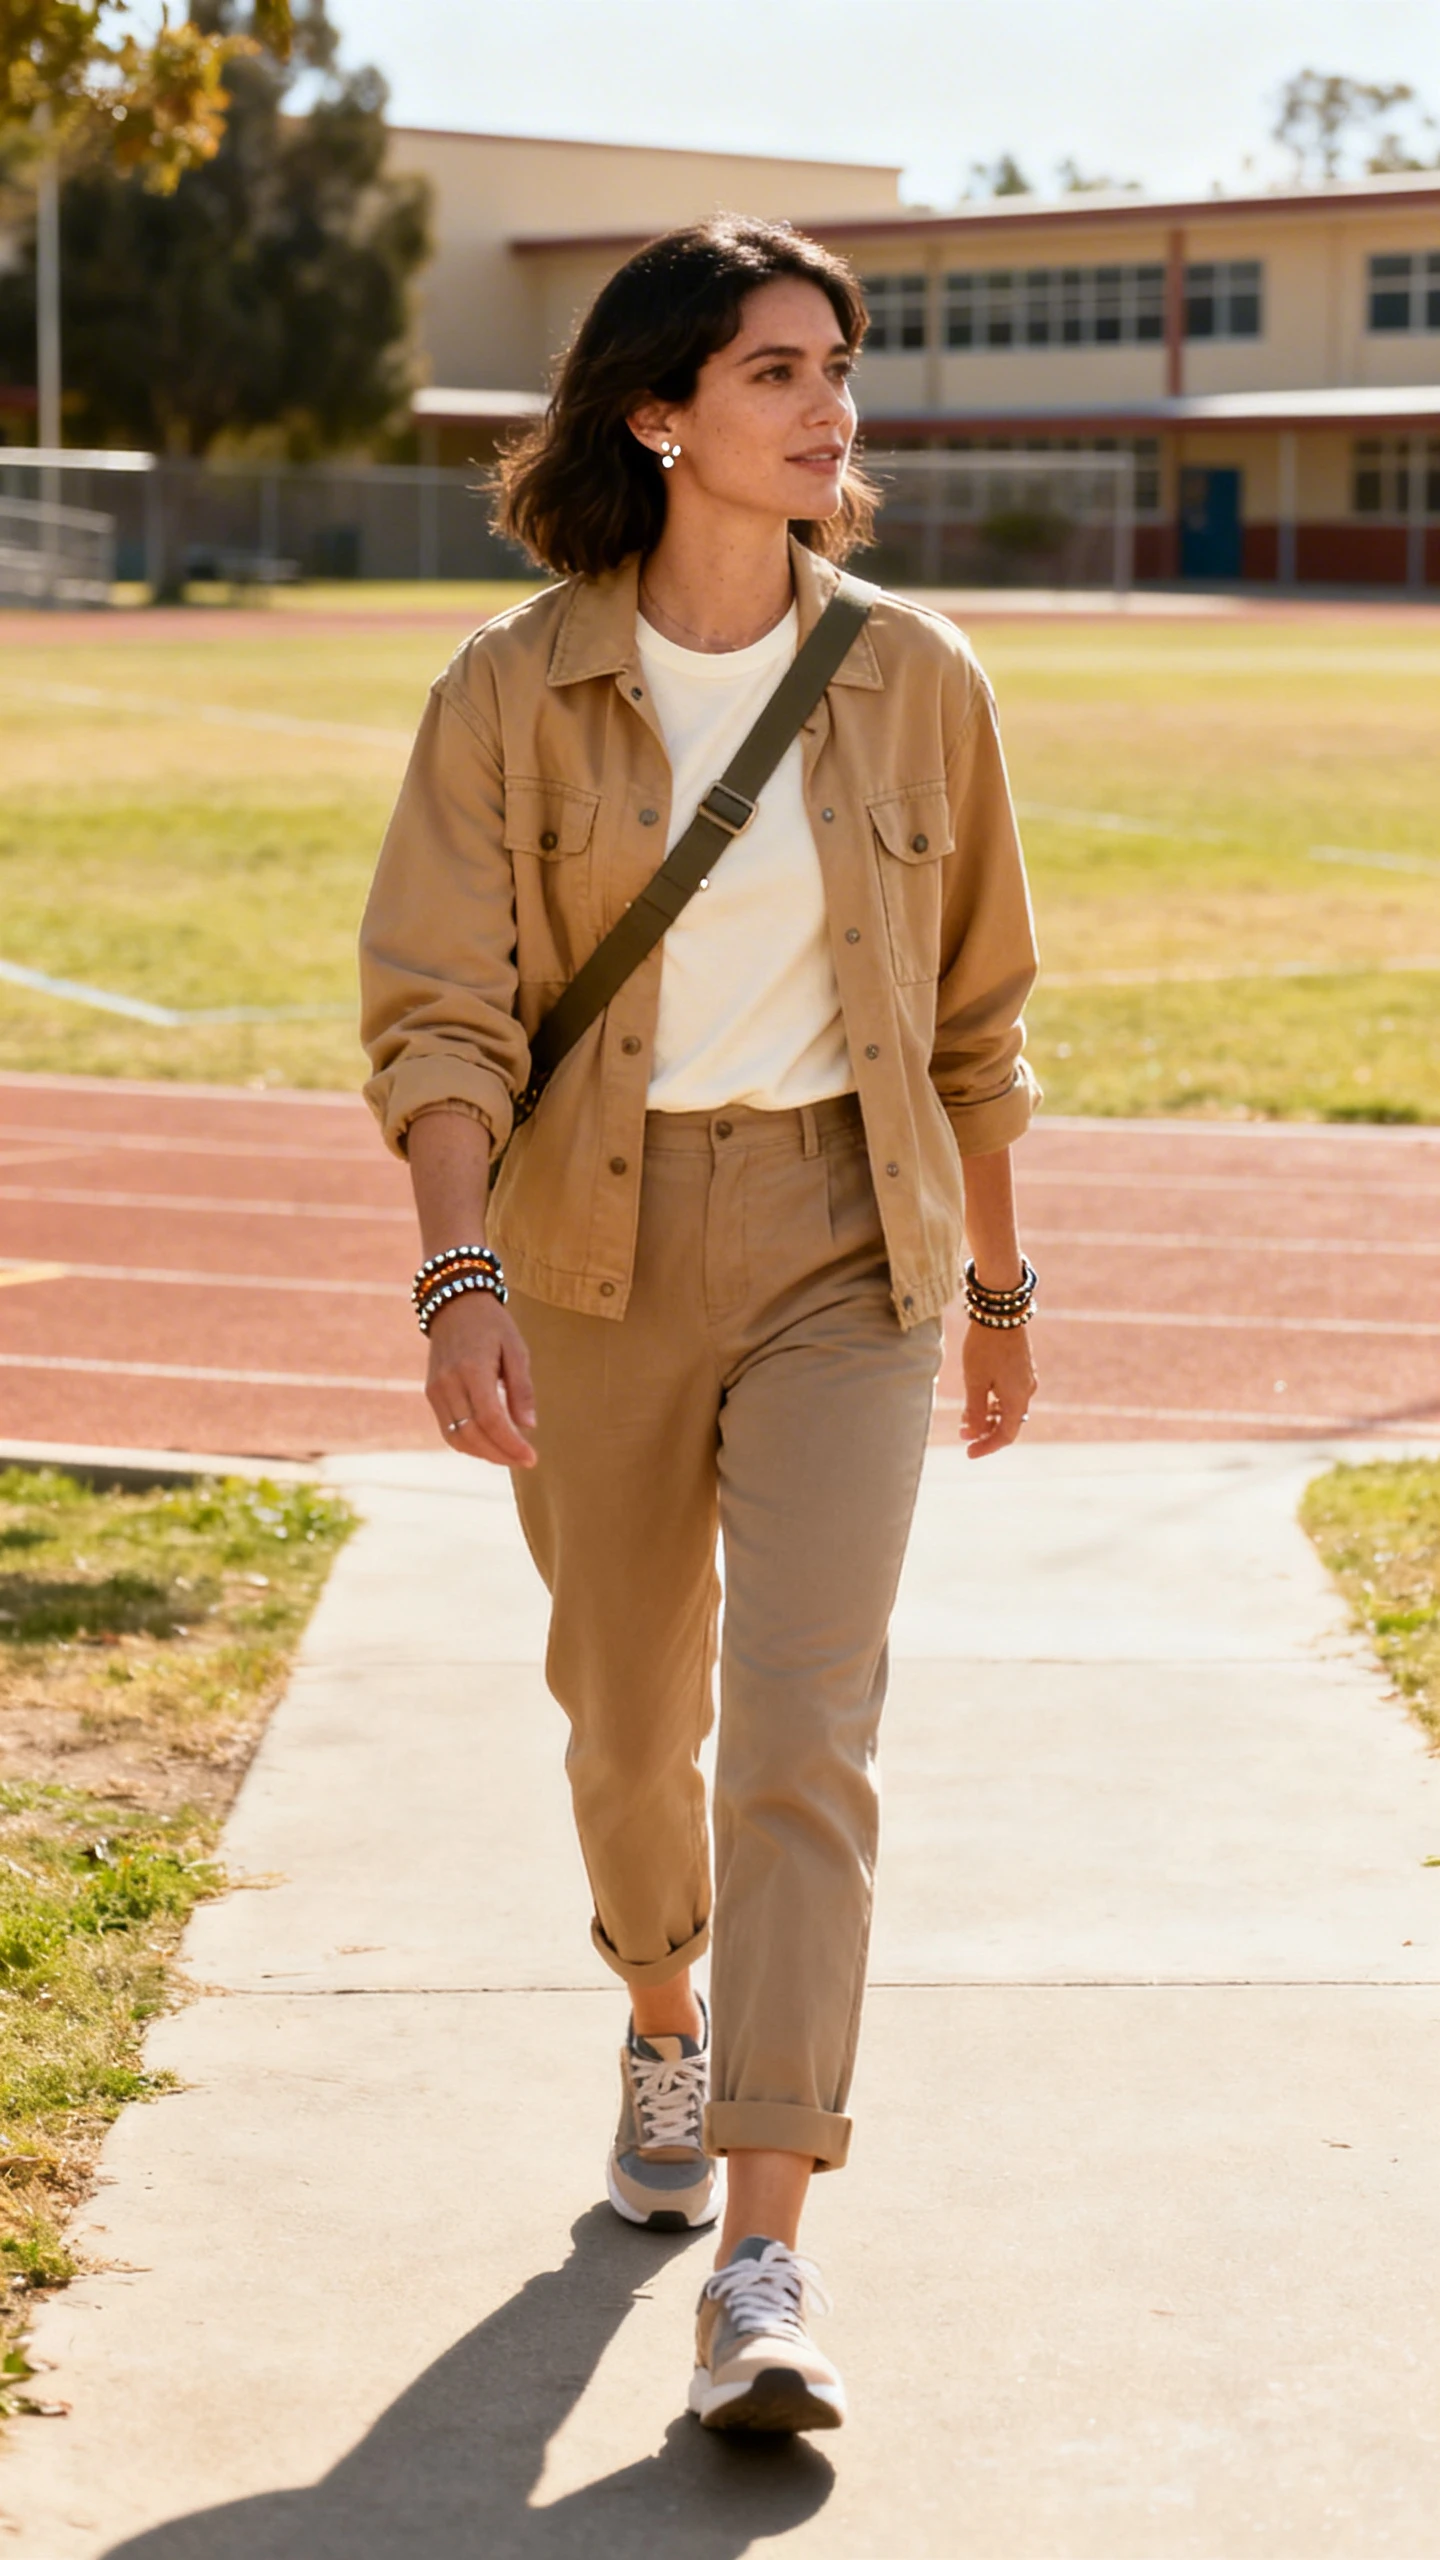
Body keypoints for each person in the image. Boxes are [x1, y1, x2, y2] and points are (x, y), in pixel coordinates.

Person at [359, 213, 1039, 2438]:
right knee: (627, 1711)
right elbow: (443, 1013)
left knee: (806, 1727)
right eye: (775, 368)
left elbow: (978, 1018)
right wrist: (459, 1275)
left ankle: (767, 2247)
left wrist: (1003, 1279)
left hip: (854, 1244)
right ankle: (662, 2004)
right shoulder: (508, 687)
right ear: (661, 411)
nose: (830, 402)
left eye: (838, 364)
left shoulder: (923, 676)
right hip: (594, 1250)